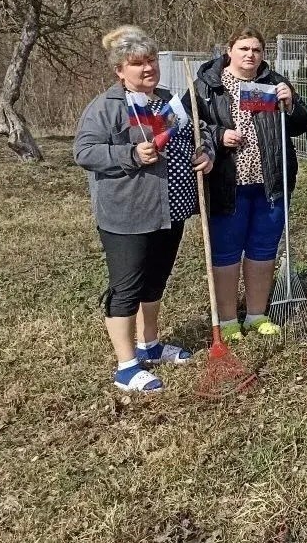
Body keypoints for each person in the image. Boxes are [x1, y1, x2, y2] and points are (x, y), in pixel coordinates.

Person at [74, 26, 214, 393]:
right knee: (126, 287)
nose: (147, 68)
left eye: (151, 61)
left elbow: (199, 133)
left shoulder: (168, 100)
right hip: (127, 214)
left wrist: (207, 154)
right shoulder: (106, 107)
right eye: (137, 64)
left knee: (155, 280)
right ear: (120, 70)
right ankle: (126, 366)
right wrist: (130, 154)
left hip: (170, 209)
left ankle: (149, 344)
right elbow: (84, 153)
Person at [191, 27, 307, 340]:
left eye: (256, 50)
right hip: (227, 183)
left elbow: (301, 125)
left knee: (263, 249)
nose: (250, 55)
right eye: (244, 48)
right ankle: (229, 320)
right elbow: (191, 125)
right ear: (229, 50)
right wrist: (218, 136)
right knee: (226, 252)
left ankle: (256, 315)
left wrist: (292, 104)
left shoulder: (273, 83)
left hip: (270, 181)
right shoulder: (208, 86)